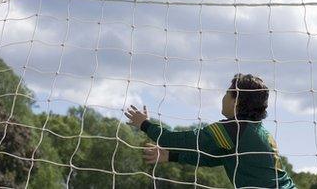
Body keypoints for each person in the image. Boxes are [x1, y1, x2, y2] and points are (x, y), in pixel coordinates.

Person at [125, 73, 295, 188]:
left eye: (227, 93)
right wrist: (171, 156)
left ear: (237, 101)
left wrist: (144, 124)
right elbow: (213, 158)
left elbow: (175, 140)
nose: (223, 97)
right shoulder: (257, 131)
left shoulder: (233, 129)